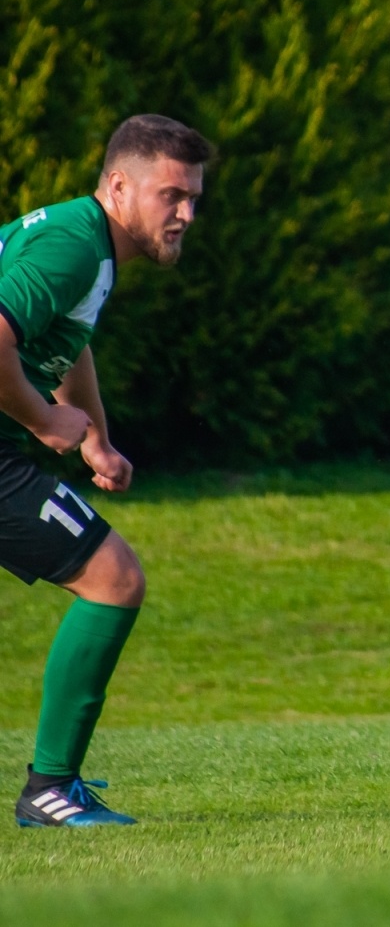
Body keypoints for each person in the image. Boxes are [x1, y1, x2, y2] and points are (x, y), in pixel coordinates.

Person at [9, 114, 212, 828]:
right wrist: (42, 420)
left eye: (193, 198)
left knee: (112, 576)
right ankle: (49, 789)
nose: (185, 213)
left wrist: (92, 437)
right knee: (113, 578)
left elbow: (66, 340)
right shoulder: (72, 246)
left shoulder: (88, 247)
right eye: (171, 196)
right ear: (119, 186)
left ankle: (52, 786)